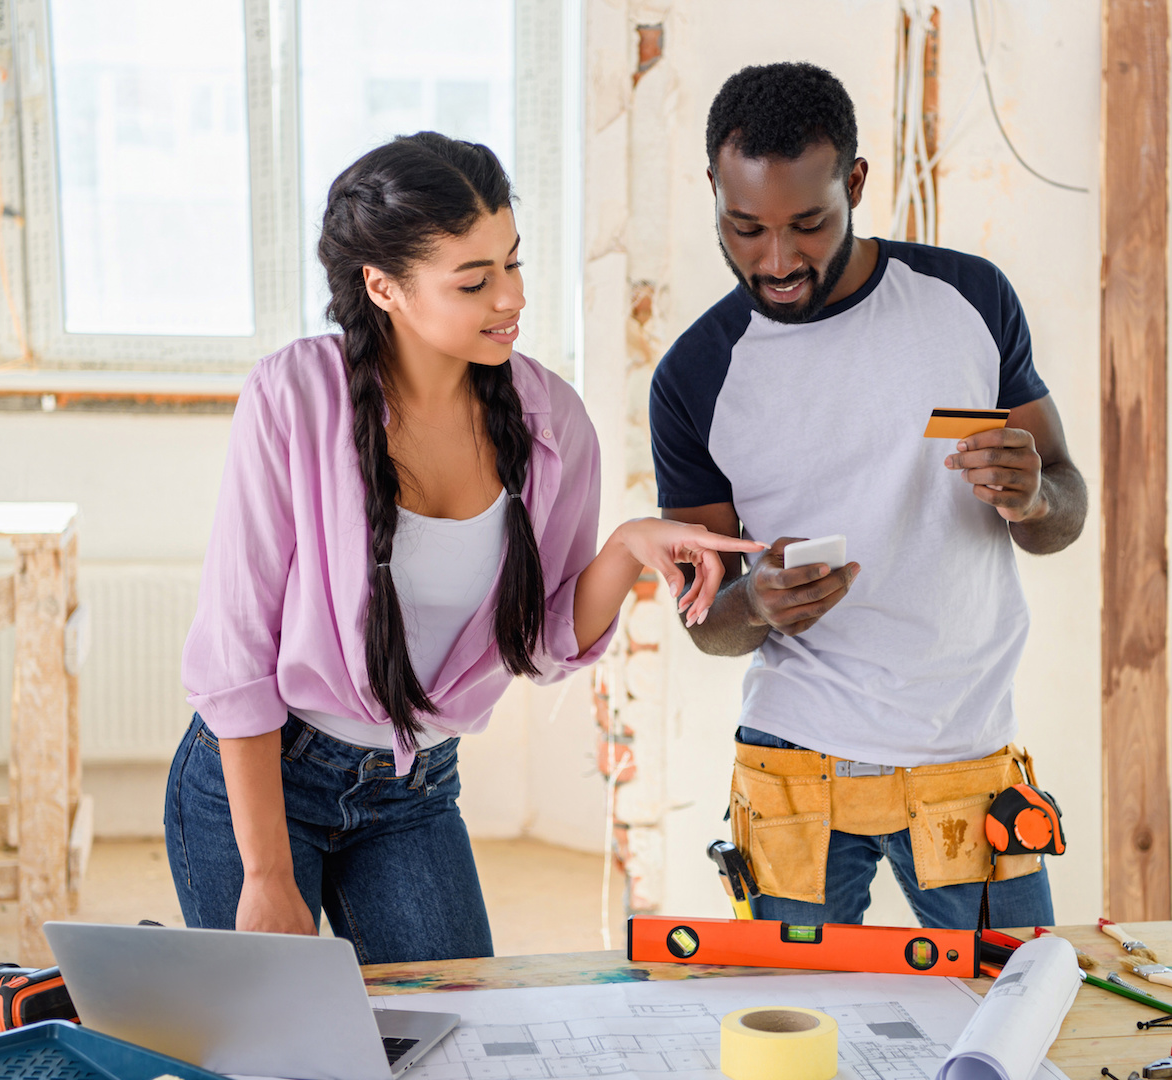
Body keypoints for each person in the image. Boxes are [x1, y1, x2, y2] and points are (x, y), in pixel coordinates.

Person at [167, 132, 758, 965]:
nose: (510, 297)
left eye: (513, 264)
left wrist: (625, 550)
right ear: (383, 286)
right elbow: (236, 652)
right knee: (274, 1041)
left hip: (415, 788)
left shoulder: (553, 425)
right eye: (474, 281)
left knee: (456, 1034)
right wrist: (265, 874)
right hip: (266, 777)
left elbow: (546, 643)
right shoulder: (294, 396)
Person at [649, 64, 1088, 930]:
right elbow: (707, 622)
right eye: (744, 229)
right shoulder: (695, 377)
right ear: (713, 193)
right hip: (795, 770)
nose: (776, 261)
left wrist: (1033, 498)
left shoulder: (970, 299)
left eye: (808, 224)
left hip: (963, 758)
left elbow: (1063, 509)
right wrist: (759, 604)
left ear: (854, 183)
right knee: (798, 1042)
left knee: (1017, 1018)